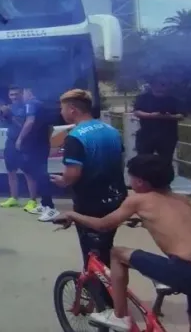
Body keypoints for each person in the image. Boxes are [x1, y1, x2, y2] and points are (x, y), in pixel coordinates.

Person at [62, 155, 191, 332]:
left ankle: (119, 316)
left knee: (117, 253)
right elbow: (174, 225)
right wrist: (142, 221)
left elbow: (103, 225)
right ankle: (166, 281)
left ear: (140, 182)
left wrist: (72, 215)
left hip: (184, 270)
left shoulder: (138, 200)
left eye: (130, 177)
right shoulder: (182, 200)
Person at [50, 89, 127, 269]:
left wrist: (62, 181)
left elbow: (73, 174)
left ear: (72, 109)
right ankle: (109, 278)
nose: (61, 112)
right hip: (116, 198)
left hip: (90, 203)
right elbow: (121, 161)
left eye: (62, 108)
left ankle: (97, 285)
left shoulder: (75, 137)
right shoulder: (111, 130)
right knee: (106, 245)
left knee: (92, 254)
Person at [0, 85, 39, 211]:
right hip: (10, 142)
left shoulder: (27, 107)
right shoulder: (9, 107)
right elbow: (0, 125)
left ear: (21, 94)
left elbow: (25, 125)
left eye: (16, 94)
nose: (13, 97)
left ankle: (32, 200)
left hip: (25, 142)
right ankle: (13, 198)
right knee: (11, 171)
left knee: (28, 172)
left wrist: (11, 116)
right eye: (11, 95)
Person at [17, 88, 58, 221]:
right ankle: (44, 204)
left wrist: (20, 139)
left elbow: (30, 121)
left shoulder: (31, 104)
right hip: (42, 144)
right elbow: (51, 127)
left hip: (35, 145)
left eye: (22, 93)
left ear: (29, 92)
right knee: (38, 173)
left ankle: (50, 208)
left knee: (41, 175)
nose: (21, 96)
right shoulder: (42, 105)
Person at [133, 76, 184, 168]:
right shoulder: (143, 98)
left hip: (168, 137)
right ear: (152, 85)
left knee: (166, 163)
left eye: (164, 84)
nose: (161, 87)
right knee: (143, 162)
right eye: (159, 84)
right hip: (146, 135)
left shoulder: (174, 99)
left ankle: (165, 177)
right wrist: (151, 115)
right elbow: (137, 112)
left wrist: (169, 116)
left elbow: (181, 116)